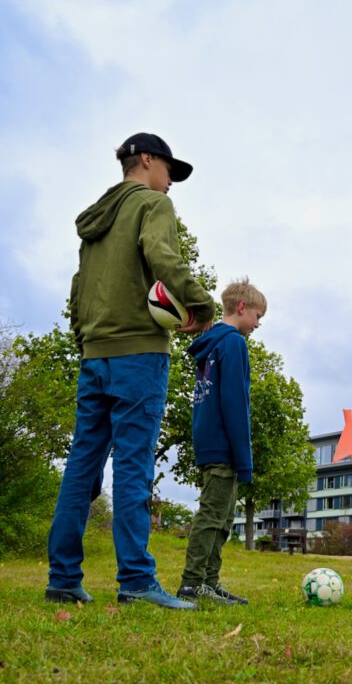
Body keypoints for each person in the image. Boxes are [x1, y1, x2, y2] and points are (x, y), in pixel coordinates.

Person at [46, 132, 216, 610]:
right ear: (145, 161)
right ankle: (138, 582)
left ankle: (62, 578)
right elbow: (164, 259)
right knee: (134, 466)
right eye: (168, 172)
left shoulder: (96, 220)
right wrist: (202, 307)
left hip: (95, 354)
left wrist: (86, 340)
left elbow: (78, 289)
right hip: (139, 355)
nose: (170, 184)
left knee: (81, 466)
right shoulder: (151, 206)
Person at [177, 278, 266, 605]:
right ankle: (191, 584)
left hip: (210, 441)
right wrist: (244, 458)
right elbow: (235, 403)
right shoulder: (232, 344)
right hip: (225, 446)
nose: (257, 324)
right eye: (258, 316)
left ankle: (209, 582)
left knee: (224, 517)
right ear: (242, 308)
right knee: (213, 516)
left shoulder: (210, 343)